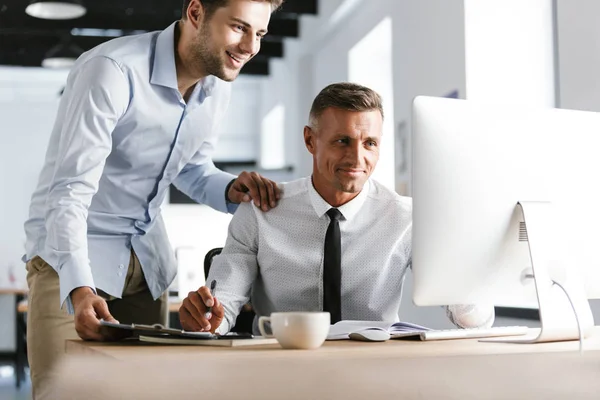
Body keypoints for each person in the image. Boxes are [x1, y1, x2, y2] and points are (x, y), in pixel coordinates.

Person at [22, 0, 283, 397]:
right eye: (239, 27)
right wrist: (79, 287)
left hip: (146, 266)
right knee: (65, 393)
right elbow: (70, 191)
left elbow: (192, 169)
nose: (250, 46)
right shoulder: (112, 71)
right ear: (196, 13)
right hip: (72, 262)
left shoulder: (216, 86)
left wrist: (231, 188)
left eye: (259, 33)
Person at [179, 82, 495, 334]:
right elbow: (224, 306)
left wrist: (461, 260)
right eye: (342, 141)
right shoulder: (260, 211)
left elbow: (475, 321)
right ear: (310, 140)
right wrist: (207, 320)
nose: (357, 158)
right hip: (282, 368)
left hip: (377, 369)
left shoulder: (408, 217)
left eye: (370, 142)